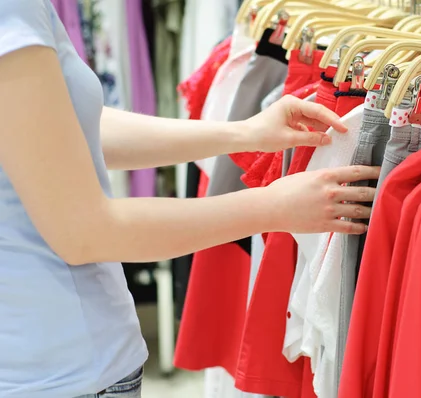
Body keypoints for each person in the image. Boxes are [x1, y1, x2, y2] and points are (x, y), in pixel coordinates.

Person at [0, 0, 379, 397]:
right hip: (59, 370)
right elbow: (84, 232)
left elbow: (63, 128)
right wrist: (273, 206)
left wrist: (245, 132)